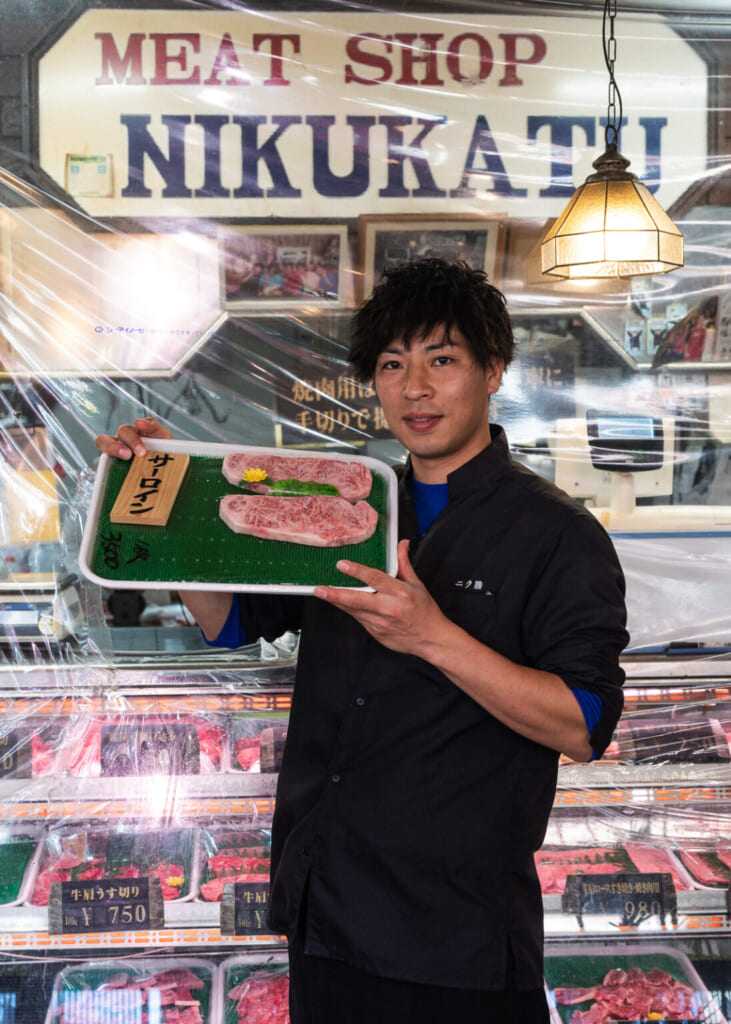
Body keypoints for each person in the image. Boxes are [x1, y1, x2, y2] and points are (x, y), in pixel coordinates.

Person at [96, 258, 628, 1024]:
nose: (414, 388)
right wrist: (167, 497)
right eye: (391, 365)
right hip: (326, 909)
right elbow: (228, 623)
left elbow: (581, 725)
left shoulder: (557, 536)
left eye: (441, 360)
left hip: (456, 936)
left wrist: (432, 636)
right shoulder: (348, 498)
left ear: (493, 371)